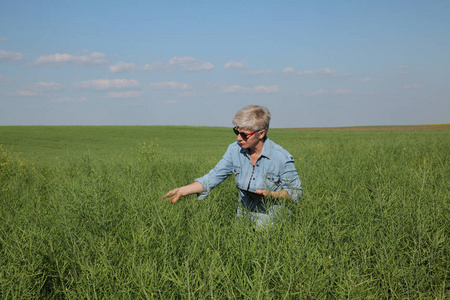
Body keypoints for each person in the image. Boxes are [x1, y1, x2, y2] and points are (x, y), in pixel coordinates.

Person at [162, 105, 302, 229]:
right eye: (236, 132)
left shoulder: (281, 158)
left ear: (261, 133)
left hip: (273, 227)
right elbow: (213, 177)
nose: (238, 138)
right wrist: (182, 190)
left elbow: (295, 192)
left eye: (244, 134)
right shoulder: (234, 150)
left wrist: (271, 195)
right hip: (243, 223)